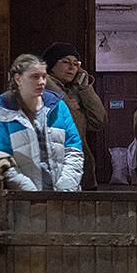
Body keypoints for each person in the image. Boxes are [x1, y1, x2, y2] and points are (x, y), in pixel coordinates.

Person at [0, 54, 84, 191]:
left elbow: (73, 148)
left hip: (64, 198)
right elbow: (2, 160)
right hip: (23, 200)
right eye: (35, 77)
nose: (41, 82)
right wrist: (30, 192)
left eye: (44, 76)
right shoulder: (2, 113)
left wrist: (65, 188)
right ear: (18, 79)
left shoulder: (58, 107)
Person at [42, 42, 107, 190]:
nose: (72, 67)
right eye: (65, 62)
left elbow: (98, 121)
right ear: (50, 65)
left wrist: (85, 88)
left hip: (82, 174)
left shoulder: (76, 92)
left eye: (76, 63)